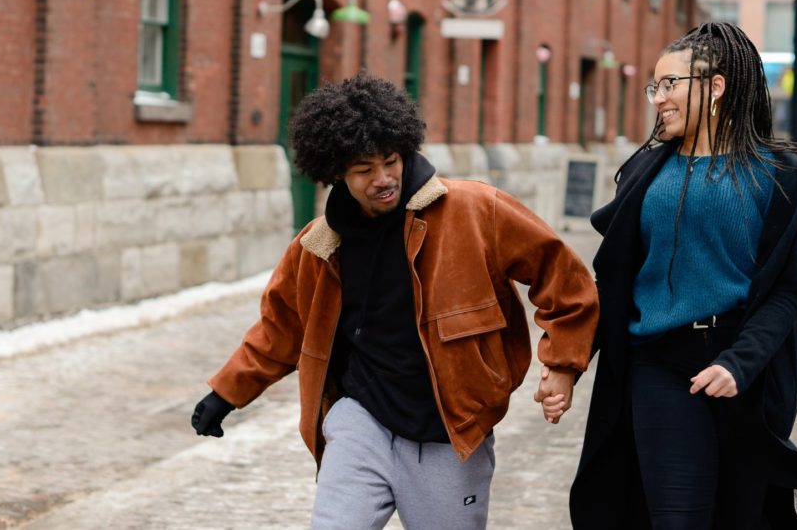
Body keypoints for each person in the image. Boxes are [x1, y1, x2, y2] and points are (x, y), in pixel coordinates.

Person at [191, 74, 598, 529]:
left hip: (450, 431)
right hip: (358, 422)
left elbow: (565, 282)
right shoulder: (317, 245)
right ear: (337, 173)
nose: (383, 179)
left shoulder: (475, 210)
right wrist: (226, 393)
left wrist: (563, 363)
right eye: (364, 170)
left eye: (391, 162)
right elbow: (280, 329)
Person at [569, 22, 797, 529]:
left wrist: (739, 364)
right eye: (654, 87)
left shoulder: (776, 173)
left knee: (742, 514)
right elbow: (615, 286)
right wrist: (568, 362)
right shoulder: (645, 173)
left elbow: (785, 292)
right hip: (658, 367)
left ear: (715, 87)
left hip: (744, 374)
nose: (658, 99)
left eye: (670, 84)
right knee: (675, 517)